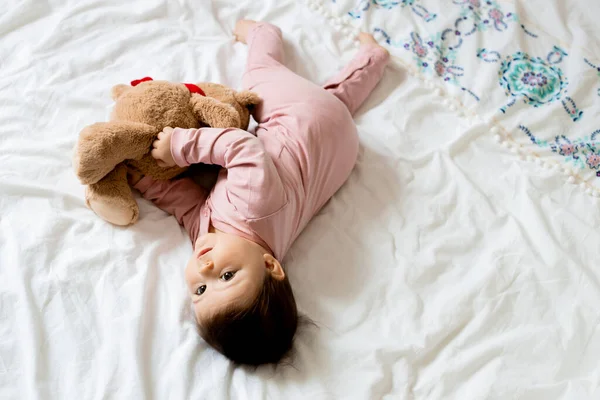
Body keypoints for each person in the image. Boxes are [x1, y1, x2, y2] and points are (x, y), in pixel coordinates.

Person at [129, 20, 390, 365]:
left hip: (338, 145)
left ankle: (374, 57)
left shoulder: (213, 242)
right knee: (257, 80)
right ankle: (265, 34)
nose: (205, 267)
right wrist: (180, 145)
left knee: (337, 101)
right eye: (226, 276)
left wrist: (143, 181)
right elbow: (242, 146)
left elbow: (187, 206)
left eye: (201, 290)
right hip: (307, 118)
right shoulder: (256, 208)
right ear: (271, 264)